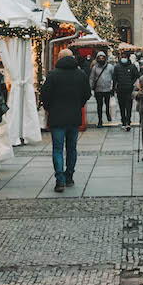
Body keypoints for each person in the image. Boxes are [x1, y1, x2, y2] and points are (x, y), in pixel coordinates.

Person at [39, 48, 91, 192]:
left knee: (57, 148)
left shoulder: (53, 74)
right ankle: (69, 176)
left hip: (57, 117)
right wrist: (78, 104)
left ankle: (59, 180)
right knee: (71, 148)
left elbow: (45, 95)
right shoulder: (80, 74)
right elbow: (87, 93)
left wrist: (50, 108)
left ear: (59, 58)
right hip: (74, 116)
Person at [88, 51, 116, 127]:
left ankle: (108, 114)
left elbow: (114, 78)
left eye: (102, 58)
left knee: (107, 104)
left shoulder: (110, 67)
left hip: (107, 89)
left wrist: (113, 88)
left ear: (105, 58)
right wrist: (90, 87)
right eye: (99, 58)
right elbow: (92, 78)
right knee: (99, 105)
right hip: (98, 89)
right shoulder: (95, 68)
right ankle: (100, 119)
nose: (101, 59)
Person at [112, 51, 139, 131]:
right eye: (122, 57)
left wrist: (131, 83)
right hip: (120, 89)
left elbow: (136, 75)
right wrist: (113, 89)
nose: (124, 58)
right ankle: (123, 121)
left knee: (129, 106)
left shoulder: (132, 66)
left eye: (125, 57)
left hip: (129, 90)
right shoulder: (117, 67)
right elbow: (114, 78)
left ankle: (128, 121)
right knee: (121, 106)